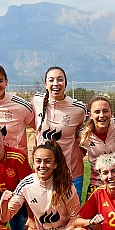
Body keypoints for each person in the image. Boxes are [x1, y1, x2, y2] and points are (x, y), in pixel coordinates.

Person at [32, 66, 87, 199]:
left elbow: (84, 132)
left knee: (72, 212)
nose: (56, 83)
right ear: (46, 84)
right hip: (44, 173)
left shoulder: (78, 109)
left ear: (65, 83)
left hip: (71, 173)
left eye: (60, 79)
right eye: (51, 80)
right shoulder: (36, 101)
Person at [78, 96, 115, 200]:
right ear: (90, 115)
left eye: (105, 111)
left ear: (111, 112)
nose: (102, 115)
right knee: (88, 211)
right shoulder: (83, 135)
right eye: (97, 112)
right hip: (98, 185)